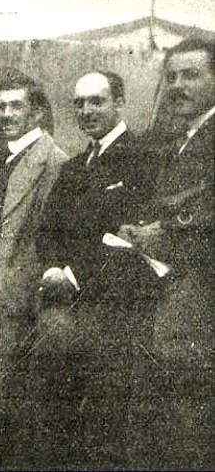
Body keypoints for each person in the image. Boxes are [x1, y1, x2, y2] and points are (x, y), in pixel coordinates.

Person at [27, 70, 157, 468]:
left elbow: (126, 241)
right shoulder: (73, 168)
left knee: (106, 423)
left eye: (96, 101)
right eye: (79, 103)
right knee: (53, 412)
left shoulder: (142, 160)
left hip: (119, 310)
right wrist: (53, 269)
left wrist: (72, 276)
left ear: (119, 103)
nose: (86, 111)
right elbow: (48, 232)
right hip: (66, 308)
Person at [0, 73, 66, 468]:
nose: (6, 114)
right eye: (1, 107)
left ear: (37, 112)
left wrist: (25, 285)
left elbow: (47, 234)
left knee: (5, 392)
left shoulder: (51, 160)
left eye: (16, 106)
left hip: (15, 288)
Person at [118, 37, 215, 469]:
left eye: (190, 74)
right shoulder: (181, 137)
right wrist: (141, 229)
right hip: (171, 288)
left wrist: (167, 230)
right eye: (171, 76)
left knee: (188, 413)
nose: (177, 85)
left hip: (202, 294)